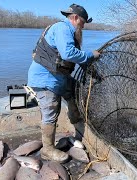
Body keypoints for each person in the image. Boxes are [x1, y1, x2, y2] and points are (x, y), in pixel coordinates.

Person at [27, 4, 100, 163]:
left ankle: (77, 123)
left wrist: (91, 69)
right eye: (82, 22)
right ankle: (47, 150)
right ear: (75, 18)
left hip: (59, 77)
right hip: (44, 79)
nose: (83, 26)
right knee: (51, 111)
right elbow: (68, 53)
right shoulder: (62, 28)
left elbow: (73, 57)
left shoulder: (70, 33)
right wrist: (90, 55)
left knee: (74, 89)